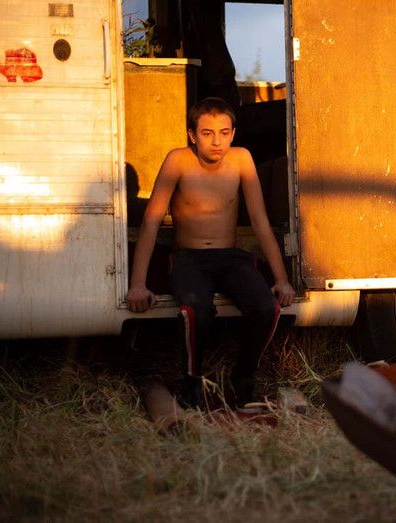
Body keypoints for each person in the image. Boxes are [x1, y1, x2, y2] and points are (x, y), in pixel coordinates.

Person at [126, 97, 295, 410]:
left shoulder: (241, 159)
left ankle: (243, 378)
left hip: (229, 256)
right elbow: (151, 221)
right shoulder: (178, 160)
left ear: (232, 134)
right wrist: (138, 283)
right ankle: (191, 382)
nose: (216, 141)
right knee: (195, 310)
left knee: (267, 308)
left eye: (224, 132)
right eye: (207, 133)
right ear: (193, 135)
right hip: (189, 258)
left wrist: (282, 280)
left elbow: (260, 222)